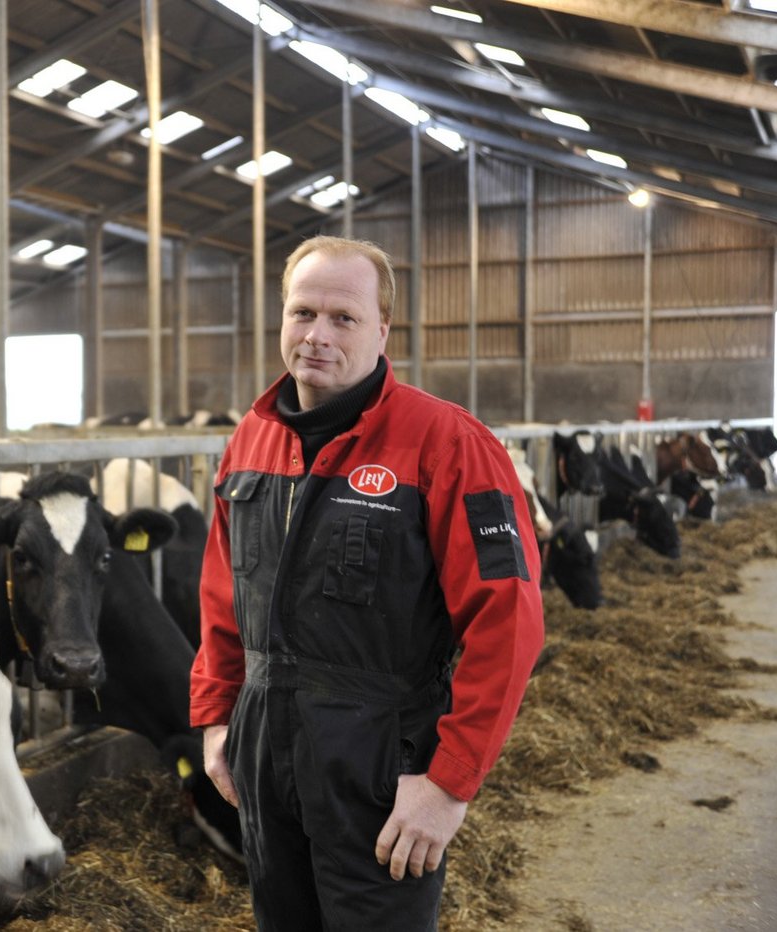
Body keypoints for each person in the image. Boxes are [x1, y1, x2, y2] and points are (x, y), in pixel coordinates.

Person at [190, 235, 545, 931]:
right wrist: (215, 718)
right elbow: (222, 596)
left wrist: (448, 785)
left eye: (343, 318)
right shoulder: (252, 440)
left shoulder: (450, 444)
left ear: (384, 329)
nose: (317, 335)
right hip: (265, 750)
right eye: (302, 313)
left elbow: (510, 623)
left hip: (381, 765)